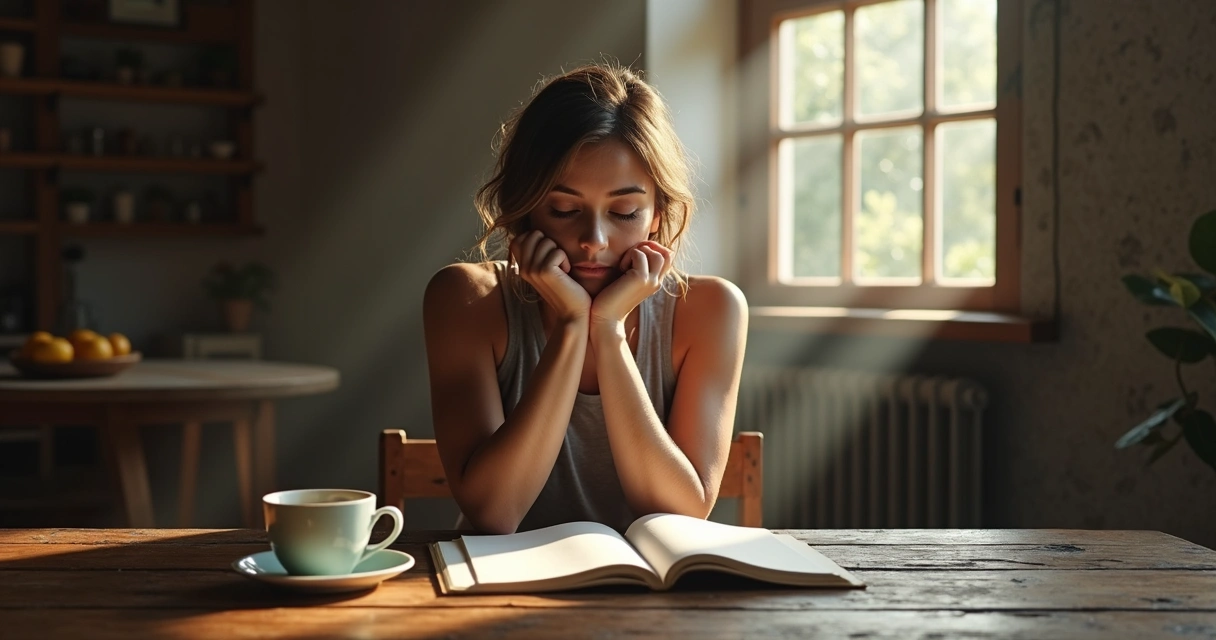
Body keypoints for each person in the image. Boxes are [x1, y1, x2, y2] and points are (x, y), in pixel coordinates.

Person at [423, 62, 747, 534]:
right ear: (528, 206)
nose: (593, 239)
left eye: (624, 211)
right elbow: (496, 512)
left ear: (657, 213)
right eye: (564, 209)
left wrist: (608, 331)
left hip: (647, 598)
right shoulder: (467, 300)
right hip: (500, 587)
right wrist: (574, 326)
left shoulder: (711, 309)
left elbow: (681, 513)